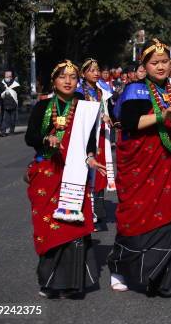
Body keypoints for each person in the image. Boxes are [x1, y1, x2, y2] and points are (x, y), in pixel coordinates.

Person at [107, 39, 171, 297]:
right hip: (141, 166)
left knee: (169, 217)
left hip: (168, 163)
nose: (161, 67)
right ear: (145, 65)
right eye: (155, 63)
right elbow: (128, 121)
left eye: (165, 62)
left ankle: (162, 279)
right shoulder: (135, 90)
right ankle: (120, 266)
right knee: (134, 218)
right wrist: (160, 116)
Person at [25, 60, 105, 298]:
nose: (68, 81)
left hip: (75, 175)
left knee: (72, 226)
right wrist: (46, 140)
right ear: (54, 81)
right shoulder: (43, 107)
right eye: (63, 76)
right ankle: (49, 282)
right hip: (48, 172)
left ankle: (72, 283)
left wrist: (90, 157)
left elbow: (89, 138)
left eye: (72, 77)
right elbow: (30, 137)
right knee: (49, 227)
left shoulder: (84, 107)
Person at [78, 58, 116, 231]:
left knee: (99, 172)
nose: (96, 73)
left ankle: (97, 211)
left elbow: (102, 109)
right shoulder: (79, 91)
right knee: (87, 172)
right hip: (86, 135)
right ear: (83, 73)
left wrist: (105, 116)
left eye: (97, 69)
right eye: (92, 70)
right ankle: (88, 212)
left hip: (99, 134)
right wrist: (100, 116)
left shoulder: (99, 91)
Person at [0, 70, 21, 136]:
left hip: (13, 104)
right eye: (6, 76)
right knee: (4, 119)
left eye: (9, 76)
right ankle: (3, 132)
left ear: (11, 77)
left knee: (12, 119)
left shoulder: (16, 84)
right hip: (4, 104)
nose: (8, 78)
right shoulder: (2, 84)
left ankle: (11, 131)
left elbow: (18, 94)